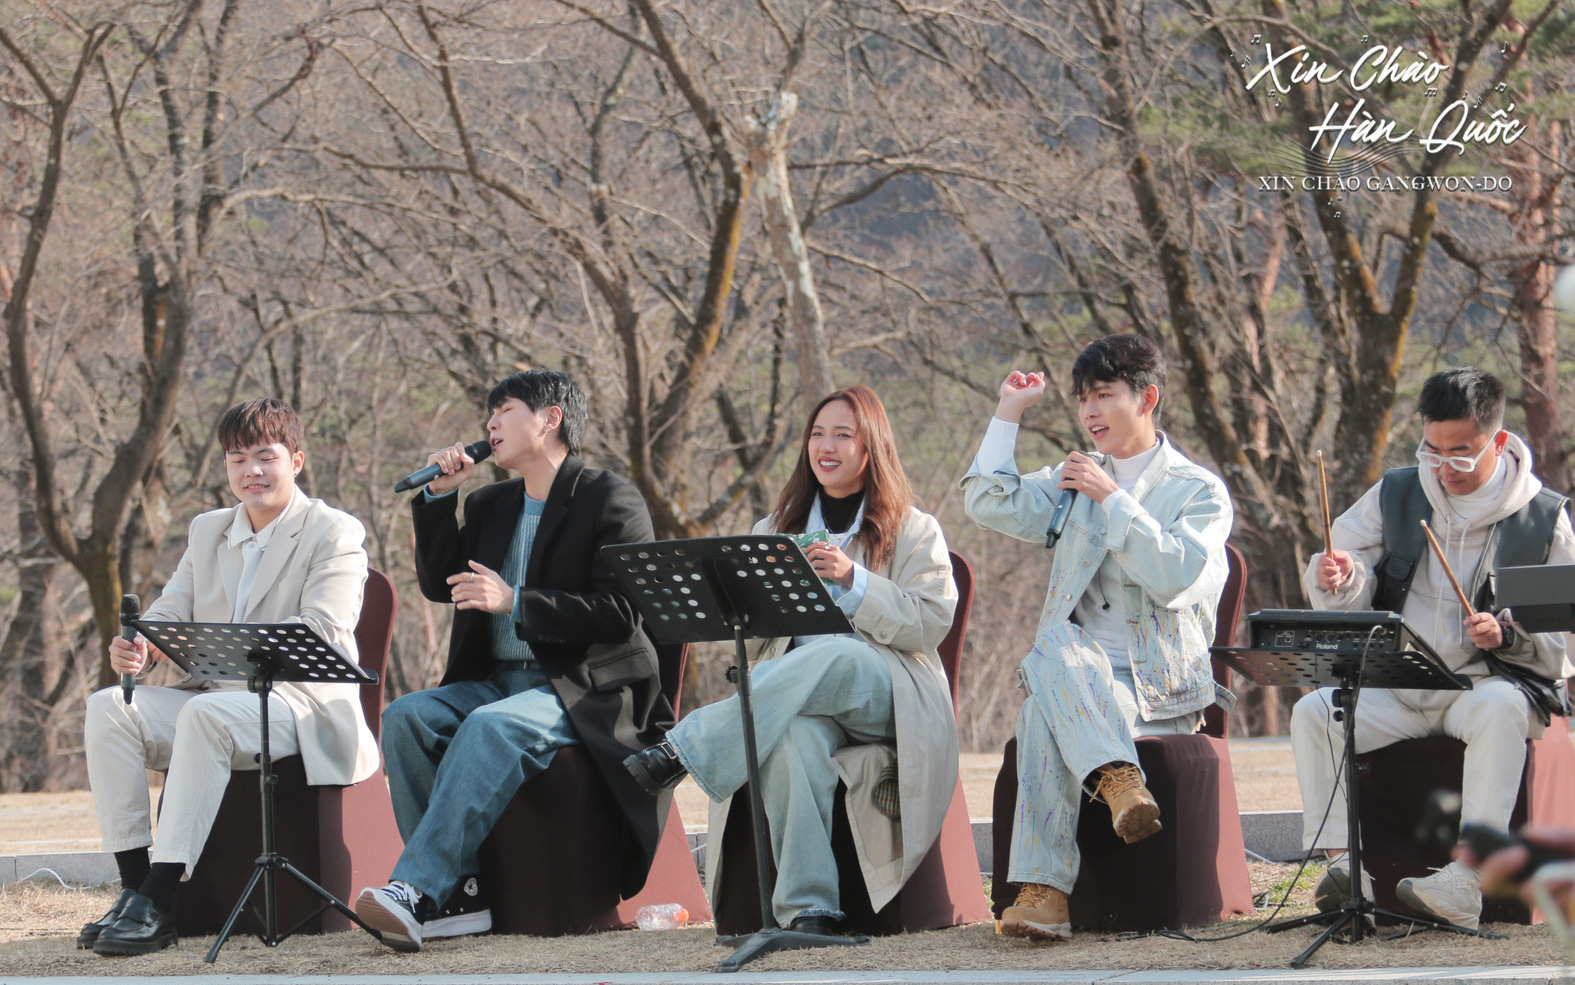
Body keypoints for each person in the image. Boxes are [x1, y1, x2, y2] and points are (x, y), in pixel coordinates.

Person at [623, 385, 958, 935]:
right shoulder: (772, 532)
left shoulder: (915, 529)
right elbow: (756, 651)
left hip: (889, 694)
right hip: (803, 700)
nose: (826, 446)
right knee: (792, 740)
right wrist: (746, 605)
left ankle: (684, 747)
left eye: (843, 435)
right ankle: (809, 910)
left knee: (834, 652)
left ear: (871, 447)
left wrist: (853, 580)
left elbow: (929, 625)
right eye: (817, 434)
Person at [356, 369, 671, 951]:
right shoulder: (490, 504)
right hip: (496, 681)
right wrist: (440, 497)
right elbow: (439, 585)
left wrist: (516, 600)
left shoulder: (610, 498)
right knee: (407, 717)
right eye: (489, 415)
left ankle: (416, 889)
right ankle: (460, 901)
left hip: (583, 688)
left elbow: (621, 613)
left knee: (489, 726)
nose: (490, 424)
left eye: (504, 411)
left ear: (551, 419)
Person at [960, 334, 1234, 941]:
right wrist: (1008, 411)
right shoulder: (1074, 476)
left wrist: (1113, 501)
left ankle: (1044, 894)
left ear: (1147, 398)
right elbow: (985, 500)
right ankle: (1118, 781)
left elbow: (1177, 576)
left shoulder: (1199, 491)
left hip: (1157, 688)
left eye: (1104, 395)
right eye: (1083, 398)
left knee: (1039, 711)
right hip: (1078, 674)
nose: (1089, 412)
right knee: (1056, 648)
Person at [79, 398, 374, 956]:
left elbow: (323, 627)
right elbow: (171, 610)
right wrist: (144, 641)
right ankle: (133, 888)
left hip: (300, 704)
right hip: (212, 700)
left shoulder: (334, 530)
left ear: (298, 459)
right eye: (237, 460)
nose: (251, 472)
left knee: (204, 713)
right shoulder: (208, 529)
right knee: (110, 707)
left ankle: (161, 898)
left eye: (266, 457)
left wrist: (213, 650)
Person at [1293, 367, 1575, 930]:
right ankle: (1346, 869)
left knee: (1502, 709)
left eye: (1462, 455)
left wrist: (1509, 636)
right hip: (1400, 682)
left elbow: (1564, 636)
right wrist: (1340, 575)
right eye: (1433, 451)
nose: (1445, 468)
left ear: (1497, 441)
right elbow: (1338, 569)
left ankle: (1465, 881)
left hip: (1481, 688)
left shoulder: (1545, 516)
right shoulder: (1398, 490)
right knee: (1317, 710)